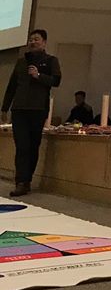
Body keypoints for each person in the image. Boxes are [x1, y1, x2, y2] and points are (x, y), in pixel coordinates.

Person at [1, 29, 61, 197]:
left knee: (33, 146)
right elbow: (12, 86)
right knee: (21, 146)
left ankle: (27, 180)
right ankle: (20, 181)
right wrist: (4, 108)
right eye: (31, 39)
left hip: (38, 109)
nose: (33, 42)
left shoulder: (51, 61)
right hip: (19, 109)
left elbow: (56, 81)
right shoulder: (21, 62)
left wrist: (38, 75)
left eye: (36, 39)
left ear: (44, 42)